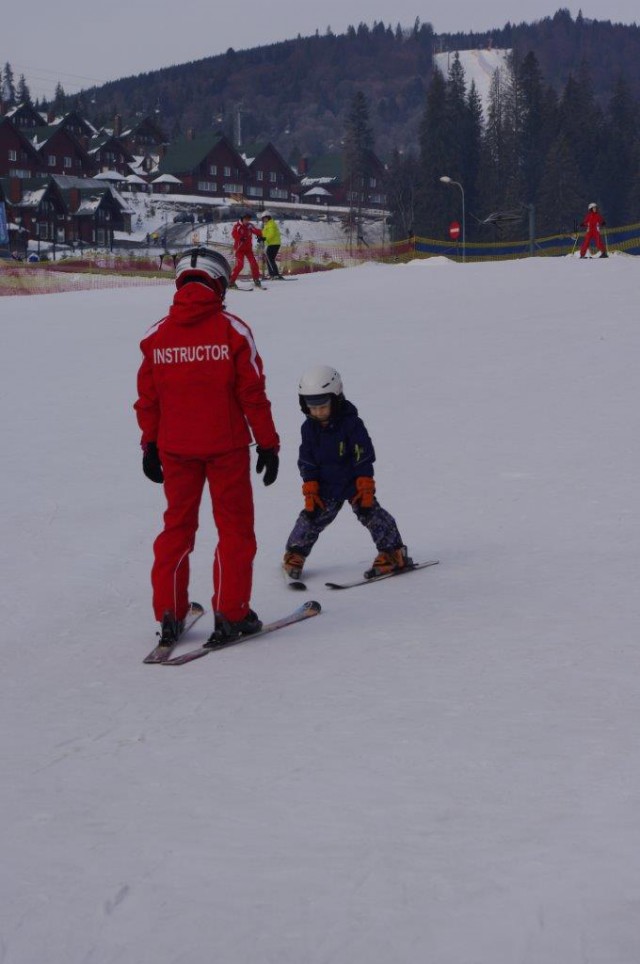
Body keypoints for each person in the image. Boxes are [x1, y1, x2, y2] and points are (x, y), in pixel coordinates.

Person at [134, 246, 280, 645]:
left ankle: (169, 611)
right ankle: (231, 614)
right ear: (220, 284)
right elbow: (253, 393)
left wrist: (150, 444)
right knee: (234, 530)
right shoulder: (233, 330)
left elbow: (148, 399)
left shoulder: (156, 335)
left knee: (176, 529)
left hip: (175, 449)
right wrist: (268, 444)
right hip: (226, 449)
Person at [282, 365, 411, 581]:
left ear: (337, 398)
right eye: (312, 407)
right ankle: (295, 554)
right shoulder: (309, 429)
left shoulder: (352, 424)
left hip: (353, 483)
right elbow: (306, 458)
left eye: (323, 406)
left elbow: (363, 453)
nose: (318, 412)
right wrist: (310, 484)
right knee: (311, 518)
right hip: (326, 486)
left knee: (371, 513)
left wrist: (364, 482)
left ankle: (393, 552)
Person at [229, 211, 263, 288]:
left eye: (248, 219)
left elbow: (256, 231)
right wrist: (240, 238)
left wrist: (260, 235)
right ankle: (231, 281)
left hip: (248, 249)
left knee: (254, 263)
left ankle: (256, 279)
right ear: (242, 219)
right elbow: (234, 234)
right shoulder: (237, 226)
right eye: (245, 219)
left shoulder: (249, 226)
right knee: (240, 265)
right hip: (239, 249)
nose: (247, 221)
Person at [259, 211, 283, 279]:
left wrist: (264, 238)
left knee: (270, 259)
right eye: (263, 218)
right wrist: (260, 237)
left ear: (268, 217)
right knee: (269, 259)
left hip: (274, 243)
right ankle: (273, 274)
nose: (264, 219)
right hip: (272, 243)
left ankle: (274, 274)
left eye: (265, 218)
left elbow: (271, 234)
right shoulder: (267, 224)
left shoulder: (271, 224)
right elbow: (265, 234)